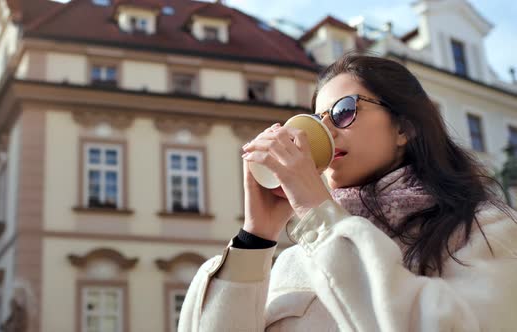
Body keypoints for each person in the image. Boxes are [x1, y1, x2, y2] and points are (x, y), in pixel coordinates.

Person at [178, 53, 517, 331]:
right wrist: (256, 236)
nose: (324, 132)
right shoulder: (300, 257)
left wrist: (317, 209)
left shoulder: (486, 230)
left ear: (404, 127)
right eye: (316, 119)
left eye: (343, 111)